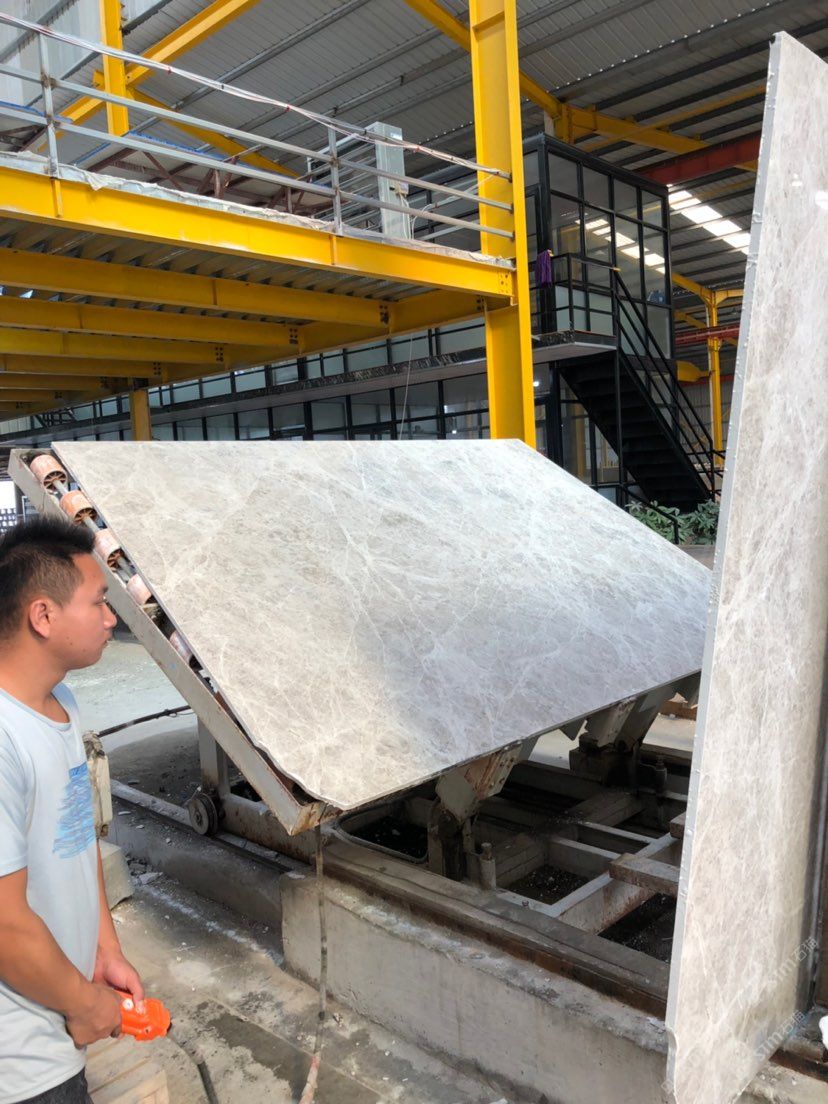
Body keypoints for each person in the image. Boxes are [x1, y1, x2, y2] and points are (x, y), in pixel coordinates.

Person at [0, 517, 144, 1104]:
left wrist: (105, 950)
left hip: (63, 1014)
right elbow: (5, 924)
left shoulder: (60, 700)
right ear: (43, 616)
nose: (111, 619)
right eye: (98, 601)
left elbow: (77, 836)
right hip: (23, 1060)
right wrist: (86, 1006)